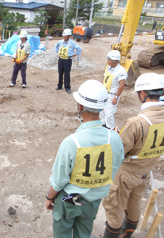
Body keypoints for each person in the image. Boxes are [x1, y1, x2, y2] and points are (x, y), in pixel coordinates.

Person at [46, 80, 124, 238]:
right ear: (102, 107)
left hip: (70, 198)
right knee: (84, 233)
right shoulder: (114, 138)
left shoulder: (72, 142)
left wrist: (50, 197)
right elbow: (116, 164)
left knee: (62, 232)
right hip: (93, 200)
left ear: (80, 106)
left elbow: (59, 179)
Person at [103, 73, 164, 238]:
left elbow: (119, 151)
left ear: (143, 94)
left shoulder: (137, 122)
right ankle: (126, 235)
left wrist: (115, 136)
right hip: (146, 171)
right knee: (134, 204)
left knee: (114, 207)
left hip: (127, 173)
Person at [100, 50, 127, 129]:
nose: (108, 61)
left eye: (110, 60)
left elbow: (121, 85)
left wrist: (116, 97)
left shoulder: (121, 71)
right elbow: (105, 78)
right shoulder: (109, 67)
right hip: (105, 93)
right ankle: (103, 125)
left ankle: (111, 128)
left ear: (116, 61)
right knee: (102, 112)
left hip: (112, 95)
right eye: (108, 59)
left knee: (109, 114)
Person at [55, 29, 82, 94]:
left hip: (68, 60)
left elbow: (79, 49)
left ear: (69, 36)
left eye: (65, 36)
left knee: (67, 74)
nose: (64, 37)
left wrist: (75, 54)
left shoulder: (72, 43)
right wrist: (57, 51)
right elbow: (56, 46)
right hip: (61, 59)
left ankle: (67, 87)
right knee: (60, 73)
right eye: (63, 36)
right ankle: (59, 85)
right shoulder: (61, 42)